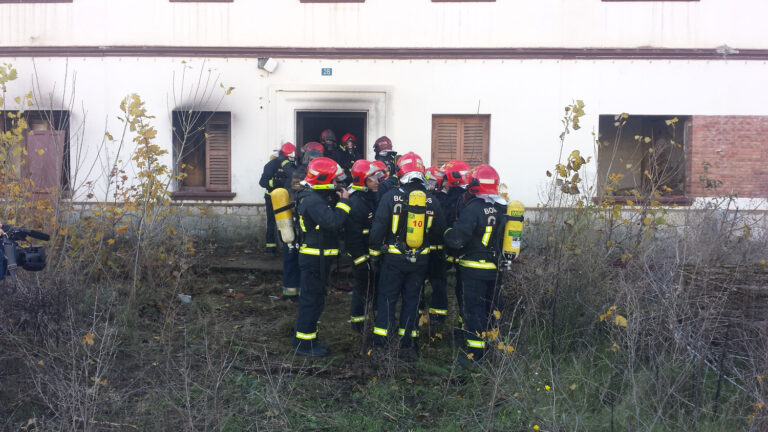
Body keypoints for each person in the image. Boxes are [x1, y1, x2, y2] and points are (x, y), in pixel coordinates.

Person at [368, 152, 445, 359]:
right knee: (412, 300)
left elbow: (377, 230)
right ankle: (407, 345)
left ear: (400, 172)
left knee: (387, 299)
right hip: (420, 261)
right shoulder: (432, 200)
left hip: (394, 259)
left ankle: (382, 346)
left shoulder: (390, 196)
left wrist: (374, 255)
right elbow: (439, 232)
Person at [444, 164, 506, 364]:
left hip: (474, 270)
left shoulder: (473, 209)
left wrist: (447, 232)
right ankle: (494, 349)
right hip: (496, 268)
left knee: (474, 310)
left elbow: (457, 239)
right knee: (492, 308)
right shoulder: (503, 208)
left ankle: (475, 355)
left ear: (473, 184)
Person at [291, 157, 351, 357]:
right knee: (312, 301)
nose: (336, 183)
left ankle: (306, 339)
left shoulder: (312, 196)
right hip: (314, 260)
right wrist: (344, 203)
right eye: (333, 180)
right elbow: (332, 222)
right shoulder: (313, 201)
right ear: (323, 179)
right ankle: (305, 345)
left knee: (315, 300)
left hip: (317, 258)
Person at [345, 160, 386, 332]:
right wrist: (361, 261)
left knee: (374, 288)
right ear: (361, 181)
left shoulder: (372, 198)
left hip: (373, 254)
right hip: (361, 256)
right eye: (371, 179)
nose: (376, 181)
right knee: (361, 289)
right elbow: (352, 238)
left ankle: (371, 318)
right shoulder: (356, 203)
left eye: (377, 177)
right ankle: (358, 324)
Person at [439, 160, 472, 328]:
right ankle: (463, 323)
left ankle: (463, 325)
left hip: (458, 249)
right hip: (467, 251)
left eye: (445, 179)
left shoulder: (454, 198)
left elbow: (446, 223)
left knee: (462, 289)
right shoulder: (469, 196)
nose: (443, 183)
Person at [421, 166, 449, 326]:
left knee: (417, 282)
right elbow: (443, 226)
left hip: (421, 249)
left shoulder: (418, 198)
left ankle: (418, 313)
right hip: (437, 250)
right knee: (438, 283)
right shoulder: (440, 201)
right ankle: (438, 317)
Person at [259, 142, 297, 255]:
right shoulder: (271, 165)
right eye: (289, 157)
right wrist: (276, 183)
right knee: (271, 222)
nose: (291, 160)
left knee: (288, 222)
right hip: (272, 197)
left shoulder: (291, 166)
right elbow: (262, 182)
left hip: (287, 198)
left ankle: (289, 246)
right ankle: (271, 247)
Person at [374, 137, 399, 201]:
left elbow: (375, 178)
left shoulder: (379, 162)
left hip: (383, 192)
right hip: (395, 191)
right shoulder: (395, 159)